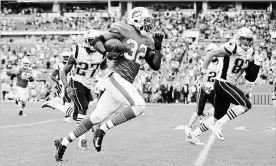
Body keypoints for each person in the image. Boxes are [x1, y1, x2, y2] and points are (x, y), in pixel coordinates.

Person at [54, 7, 164, 161]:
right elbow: (96, 40)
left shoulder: (148, 40)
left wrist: (158, 46)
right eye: (146, 21)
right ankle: (102, 130)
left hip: (124, 82)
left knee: (96, 116)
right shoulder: (124, 29)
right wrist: (106, 53)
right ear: (136, 20)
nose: (149, 25)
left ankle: (63, 143)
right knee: (139, 106)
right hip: (116, 77)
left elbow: (155, 65)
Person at [186, 27, 265, 143]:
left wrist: (257, 65)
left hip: (228, 85)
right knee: (246, 104)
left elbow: (250, 77)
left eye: (248, 39)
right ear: (239, 38)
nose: (245, 42)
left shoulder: (251, 52)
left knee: (216, 116)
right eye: (243, 39)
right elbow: (211, 54)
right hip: (223, 83)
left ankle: (193, 135)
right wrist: (202, 73)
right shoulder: (233, 46)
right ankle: (219, 125)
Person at [43, 30, 107, 150]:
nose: (94, 45)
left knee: (78, 115)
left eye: (96, 42)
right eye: (92, 42)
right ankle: (87, 134)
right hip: (76, 81)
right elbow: (64, 71)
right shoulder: (78, 51)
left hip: (89, 84)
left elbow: (104, 68)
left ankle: (57, 105)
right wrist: (67, 86)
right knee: (84, 108)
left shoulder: (101, 53)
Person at [185, 43, 222, 145]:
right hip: (204, 90)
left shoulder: (220, 63)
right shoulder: (205, 63)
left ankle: (206, 118)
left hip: (213, 90)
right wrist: (204, 87)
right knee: (198, 111)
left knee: (219, 110)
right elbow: (198, 79)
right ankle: (189, 128)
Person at [42, 52, 72, 123]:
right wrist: (59, 82)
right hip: (63, 84)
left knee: (66, 100)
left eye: (67, 57)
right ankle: (67, 116)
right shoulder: (59, 65)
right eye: (65, 57)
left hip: (71, 83)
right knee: (67, 99)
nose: (66, 58)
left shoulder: (72, 64)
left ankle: (52, 102)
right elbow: (53, 76)